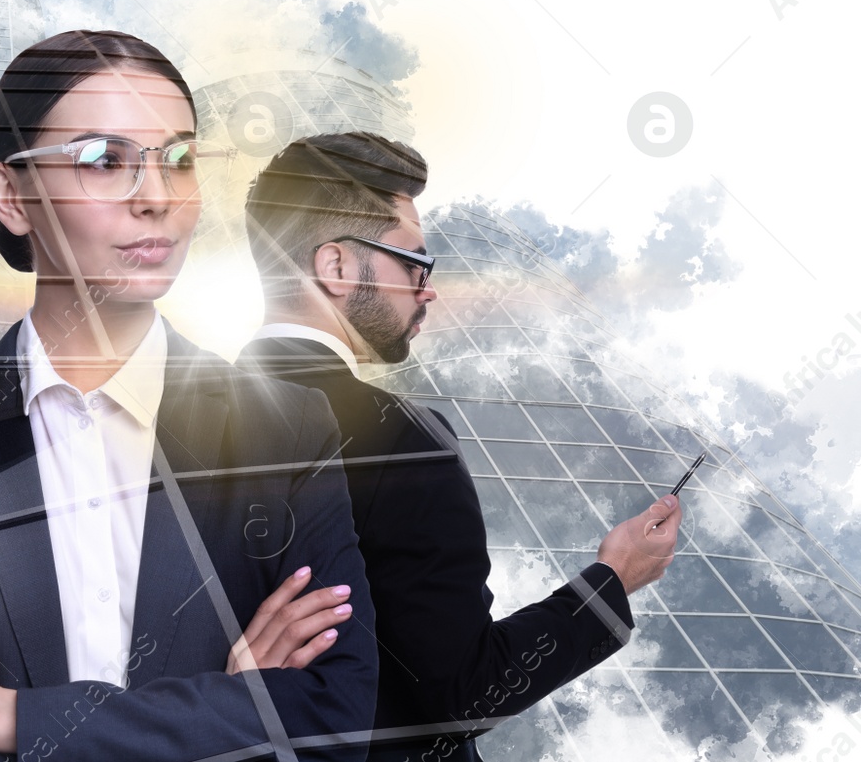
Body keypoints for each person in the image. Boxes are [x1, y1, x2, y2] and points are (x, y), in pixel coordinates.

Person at [0, 30, 378, 762]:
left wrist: (10, 718)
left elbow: (332, 717)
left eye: (179, 159)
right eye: (104, 160)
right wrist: (226, 707)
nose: (157, 198)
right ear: (11, 194)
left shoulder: (286, 429)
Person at [235, 132, 683, 761]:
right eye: (412, 261)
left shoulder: (161, 430)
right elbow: (462, 696)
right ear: (335, 267)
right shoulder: (399, 438)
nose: (428, 288)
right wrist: (613, 580)